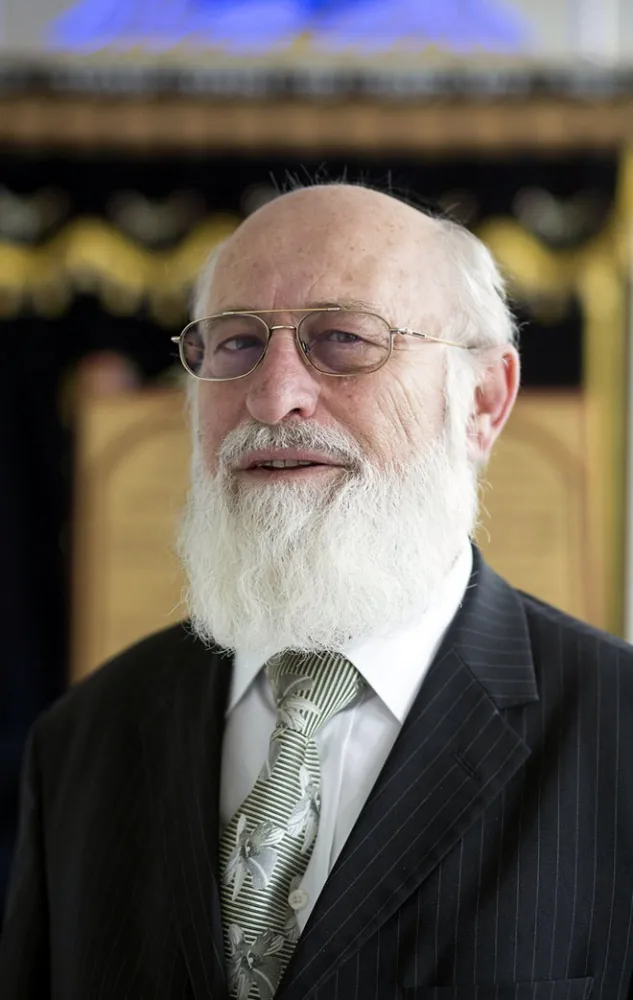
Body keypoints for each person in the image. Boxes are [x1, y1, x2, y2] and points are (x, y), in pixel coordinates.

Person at [1, 183, 632, 1000]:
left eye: (342, 339)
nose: (272, 396)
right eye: (234, 346)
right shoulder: (83, 742)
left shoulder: (619, 734)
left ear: (482, 400)